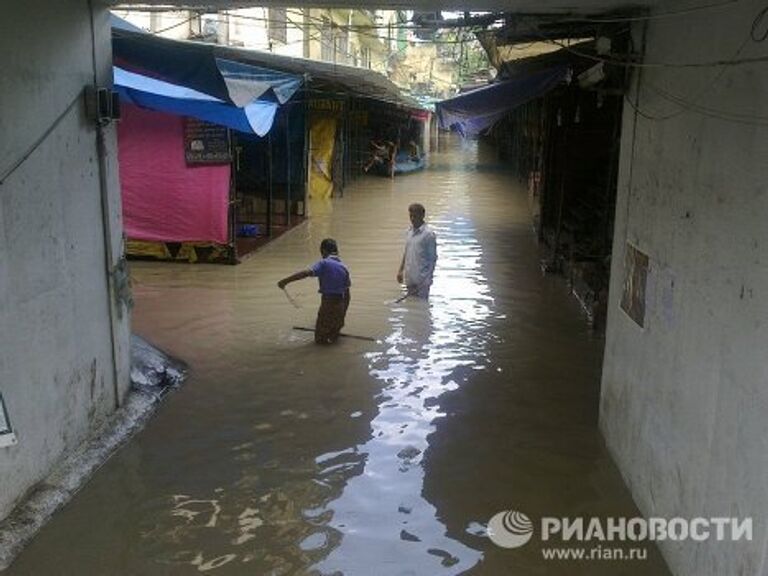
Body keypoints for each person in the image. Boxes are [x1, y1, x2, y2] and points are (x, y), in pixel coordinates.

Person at [278, 238, 351, 344]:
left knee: (319, 341)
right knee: (334, 338)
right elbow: (348, 295)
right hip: (340, 305)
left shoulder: (324, 263)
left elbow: (305, 273)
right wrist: (342, 315)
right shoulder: (344, 267)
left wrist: (285, 281)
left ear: (324, 251)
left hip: (327, 304)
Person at [397, 203, 437, 299]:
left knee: (421, 307)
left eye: (415, 216)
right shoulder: (409, 232)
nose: (412, 219)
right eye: (411, 216)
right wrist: (400, 270)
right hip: (410, 277)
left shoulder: (428, 235)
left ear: (422, 216)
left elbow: (433, 259)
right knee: (411, 305)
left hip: (422, 280)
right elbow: (406, 252)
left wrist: (428, 279)